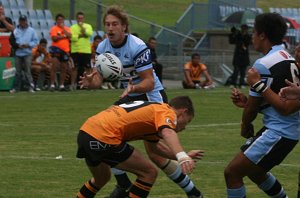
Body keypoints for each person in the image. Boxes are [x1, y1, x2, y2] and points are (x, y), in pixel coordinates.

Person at [79, 5, 204, 198]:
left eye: (115, 24)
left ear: (124, 27)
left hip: (150, 95)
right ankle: (122, 184)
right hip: (131, 92)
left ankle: (192, 191)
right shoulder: (103, 47)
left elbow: (148, 81)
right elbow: (98, 80)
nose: (110, 28)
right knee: (110, 133)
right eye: (107, 24)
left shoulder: (137, 46)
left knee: (155, 153)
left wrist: (133, 88)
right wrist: (91, 81)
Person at [225, 13, 300, 198]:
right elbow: (269, 100)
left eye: (254, 33)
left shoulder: (263, 64)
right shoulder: (285, 56)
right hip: (288, 130)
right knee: (256, 172)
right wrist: (248, 102)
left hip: (279, 131)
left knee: (232, 172)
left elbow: (253, 109)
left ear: (262, 35)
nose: (252, 37)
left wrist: (245, 125)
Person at [76, 96, 203, 198]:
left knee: (101, 178)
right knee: (148, 173)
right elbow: (168, 132)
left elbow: (156, 149)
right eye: (188, 121)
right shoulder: (167, 111)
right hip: (104, 136)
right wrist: (182, 156)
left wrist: (183, 154)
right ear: (183, 112)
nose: (185, 127)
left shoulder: (154, 113)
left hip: (86, 132)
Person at [9, 15, 38, 94]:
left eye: (24, 20)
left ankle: (31, 87)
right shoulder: (15, 31)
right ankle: (16, 88)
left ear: (26, 21)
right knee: (17, 72)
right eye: (21, 21)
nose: (22, 22)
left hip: (27, 53)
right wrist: (18, 45)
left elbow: (36, 41)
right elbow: (11, 41)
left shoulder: (31, 30)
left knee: (27, 71)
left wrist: (28, 45)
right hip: (18, 53)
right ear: (19, 21)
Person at [49, 13, 72, 91]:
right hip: (56, 50)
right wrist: (64, 36)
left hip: (65, 51)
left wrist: (63, 30)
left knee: (64, 68)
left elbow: (70, 36)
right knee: (54, 67)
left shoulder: (67, 28)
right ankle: (52, 85)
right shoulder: (54, 29)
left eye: (61, 20)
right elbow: (54, 38)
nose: (60, 21)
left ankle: (61, 85)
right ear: (56, 21)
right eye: (58, 20)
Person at [70, 11, 93, 90]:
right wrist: (80, 35)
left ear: (84, 19)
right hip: (75, 50)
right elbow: (72, 37)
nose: (80, 20)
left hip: (86, 50)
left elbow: (88, 34)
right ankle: (73, 84)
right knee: (74, 68)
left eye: (81, 18)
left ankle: (89, 84)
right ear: (76, 18)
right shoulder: (72, 27)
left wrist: (82, 29)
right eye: (79, 18)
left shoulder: (88, 26)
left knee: (87, 68)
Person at [228, 24, 251, 88]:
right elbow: (231, 41)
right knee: (236, 70)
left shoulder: (248, 36)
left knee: (243, 71)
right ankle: (233, 83)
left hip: (244, 56)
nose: (243, 30)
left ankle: (242, 83)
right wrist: (233, 33)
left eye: (244, 29)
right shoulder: (238, 35)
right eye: (242, 28)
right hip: (237, 55)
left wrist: (242, 38)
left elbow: (247, 43)